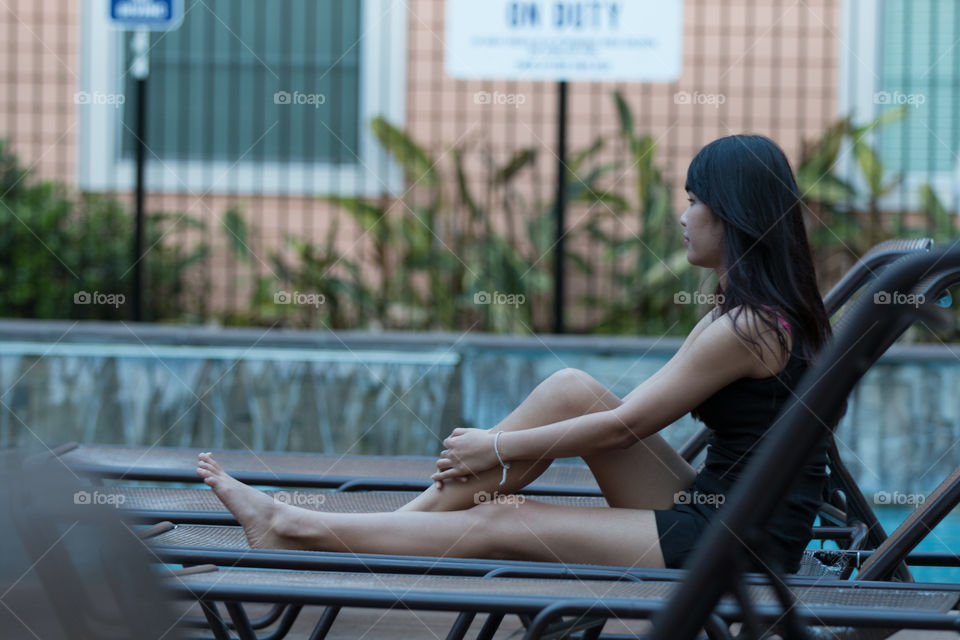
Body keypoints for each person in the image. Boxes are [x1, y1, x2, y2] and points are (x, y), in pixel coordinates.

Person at [197, 134, 832, 574]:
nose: (683, 216)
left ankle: (299, 528)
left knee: (508, 519)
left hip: (736, 542)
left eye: (695, 201)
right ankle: (400, 526)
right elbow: (619, 414)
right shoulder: (752, 310)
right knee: (570, 388)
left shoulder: (748, 327)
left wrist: (495, 448)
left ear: (734, 215)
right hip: (717, 505)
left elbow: (629, 425)